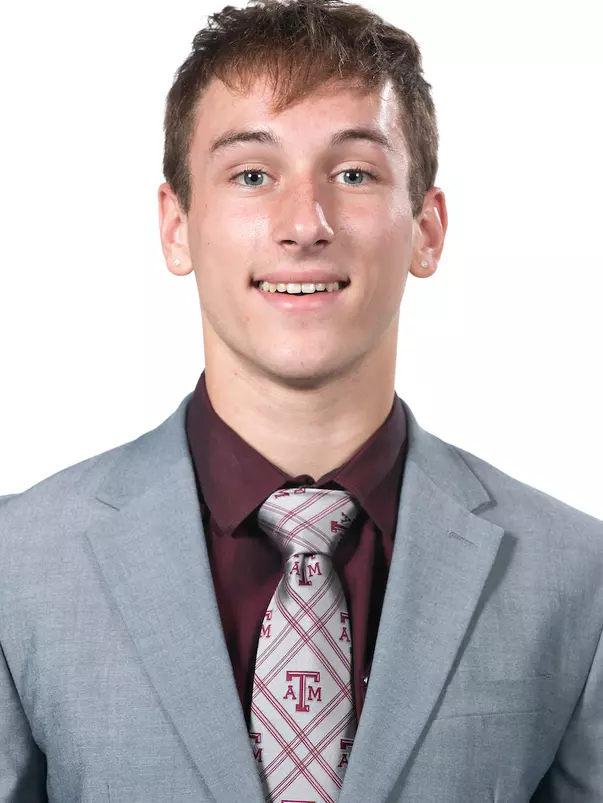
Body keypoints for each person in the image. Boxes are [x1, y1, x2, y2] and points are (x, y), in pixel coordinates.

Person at [1, 0, 602, 800]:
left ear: (426, 228)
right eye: (252, 174)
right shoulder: (18, 567)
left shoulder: (577, 579)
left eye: (353, 173)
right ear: (176, 226)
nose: (304, 223)